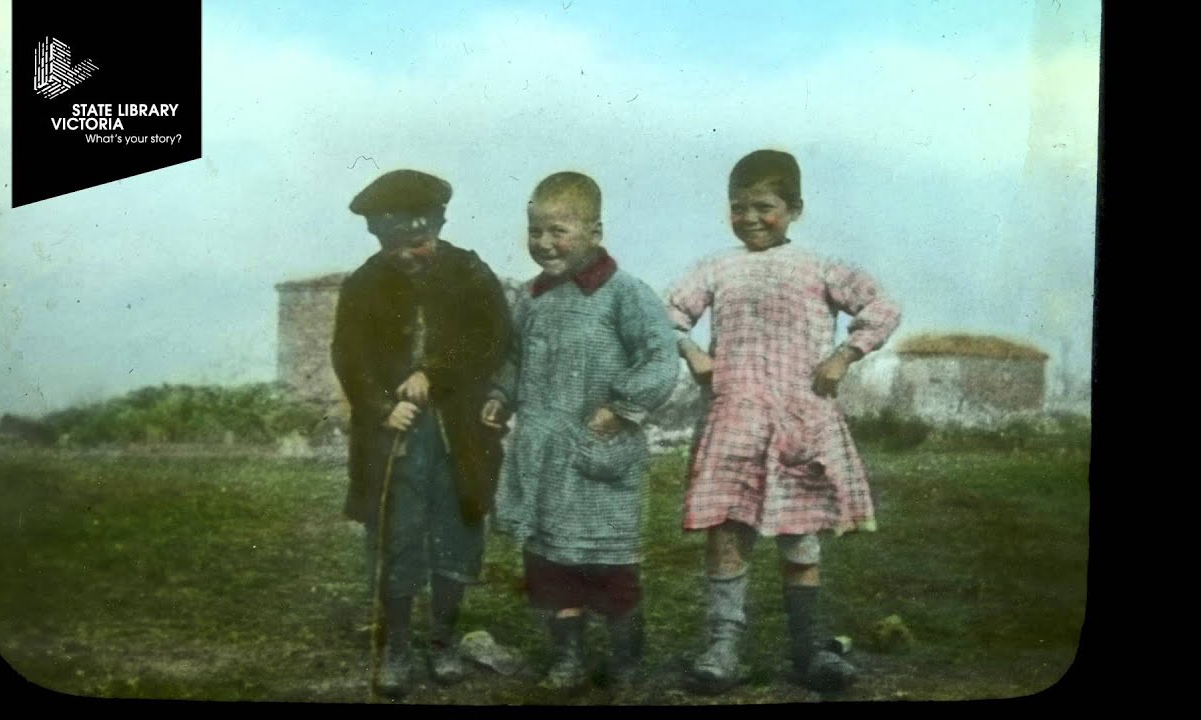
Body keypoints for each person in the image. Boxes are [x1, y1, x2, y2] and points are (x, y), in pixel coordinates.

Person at [665, 149, 901, 694]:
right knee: (728, 531)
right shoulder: (716, 267)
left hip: (801, 422)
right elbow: (669, 314)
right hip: (736, 418)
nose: (748, 218)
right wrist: (692, 353)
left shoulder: (821, 267)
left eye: (763, 207)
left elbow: (882, 308)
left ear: (794, 208)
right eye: (737, 207)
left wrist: (844, 356)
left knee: (799, 539)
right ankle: (722, 647)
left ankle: (808, 650)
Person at [482, 171, 680, 692]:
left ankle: (626, 662)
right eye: (535, 231)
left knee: (609, 568)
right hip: (542, 457)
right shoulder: (530, 298)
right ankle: (567, 658)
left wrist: (621, 406)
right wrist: (501, 397)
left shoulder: (625, 294)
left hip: (599, 456)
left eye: (559, 231)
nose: (544, 243)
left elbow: (660, 355)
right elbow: (513, 359)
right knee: (550, 565)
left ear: (595, 231)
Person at [332, 168, 512, 698]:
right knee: (397, 536)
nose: (410, 253)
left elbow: (492, 338)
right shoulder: (363, 285)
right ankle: (397, 645)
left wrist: (433, 371)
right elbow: (350, 356)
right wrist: (381, 406)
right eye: (395, 244)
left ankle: (443, 641)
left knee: (457, 534)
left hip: (461, 434)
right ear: (376, 237)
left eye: (420, 241)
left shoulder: (471, 273)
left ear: (438, 224)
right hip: (394, 440)